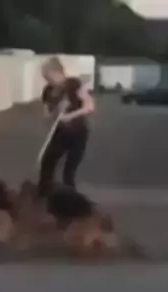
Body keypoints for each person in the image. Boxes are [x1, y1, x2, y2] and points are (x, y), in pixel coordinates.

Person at [37, 56, 96, 196]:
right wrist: (57, 110)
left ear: (57, 72)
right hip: (59, 133)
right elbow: (47, 115)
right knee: (47, 163)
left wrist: (70, 115)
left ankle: (70, 199)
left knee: (69, 170)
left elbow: (89, 106)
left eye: (48, 76)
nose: (47, 80)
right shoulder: (48, 90)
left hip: (77, 133)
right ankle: (44, 197)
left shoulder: (74, 85)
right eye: (45, 77)